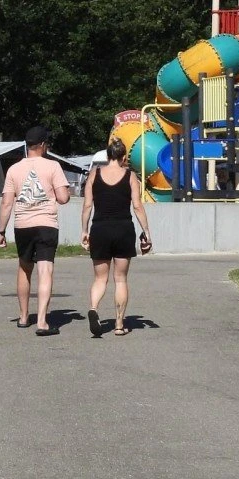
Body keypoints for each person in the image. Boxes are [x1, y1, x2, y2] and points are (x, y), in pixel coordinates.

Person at [0, 125, 71, 335]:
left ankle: (23, 317)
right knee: (45, 271)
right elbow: (63, 198)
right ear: (43, 145)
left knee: (24, 268)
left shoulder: (14, 169)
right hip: (46, 224)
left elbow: (6, 203)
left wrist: (1, 231)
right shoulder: (53, 166)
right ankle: (41, 322)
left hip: (22, 225)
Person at [80, 138, 152, 337]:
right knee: (120, 279)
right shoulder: (130, 176)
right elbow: (137, 206)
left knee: (100, 279)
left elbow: (87, 205)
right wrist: (146, 232)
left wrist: (84, 230)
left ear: (108, 154)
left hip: (100, 229)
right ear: (124, 157)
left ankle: (93, 308)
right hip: (123, 229)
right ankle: (119, 325)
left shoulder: (94, 174)